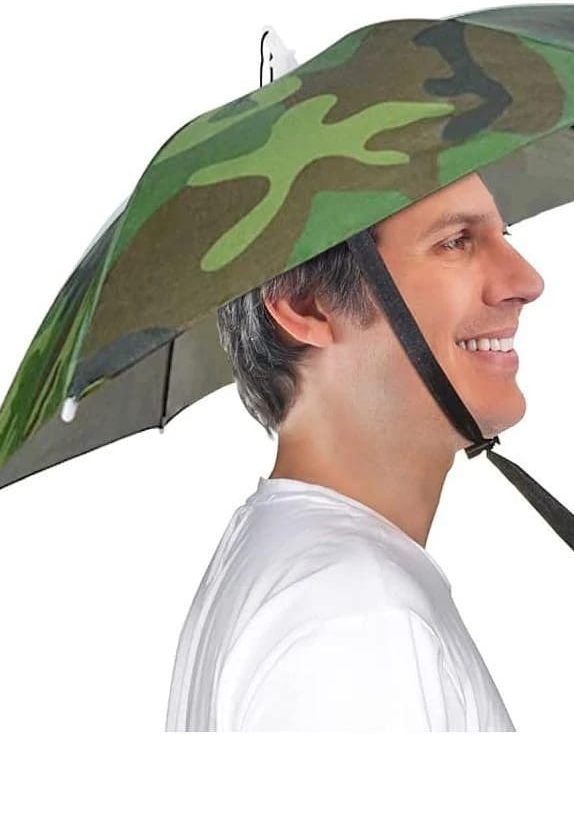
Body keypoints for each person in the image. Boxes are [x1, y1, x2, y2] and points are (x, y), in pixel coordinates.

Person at [165, 170, 545, 731]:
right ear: (306, 304)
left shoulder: (296, 569)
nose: (526, 281)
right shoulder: (354, 611)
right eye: (456, 242)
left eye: (502, 235)